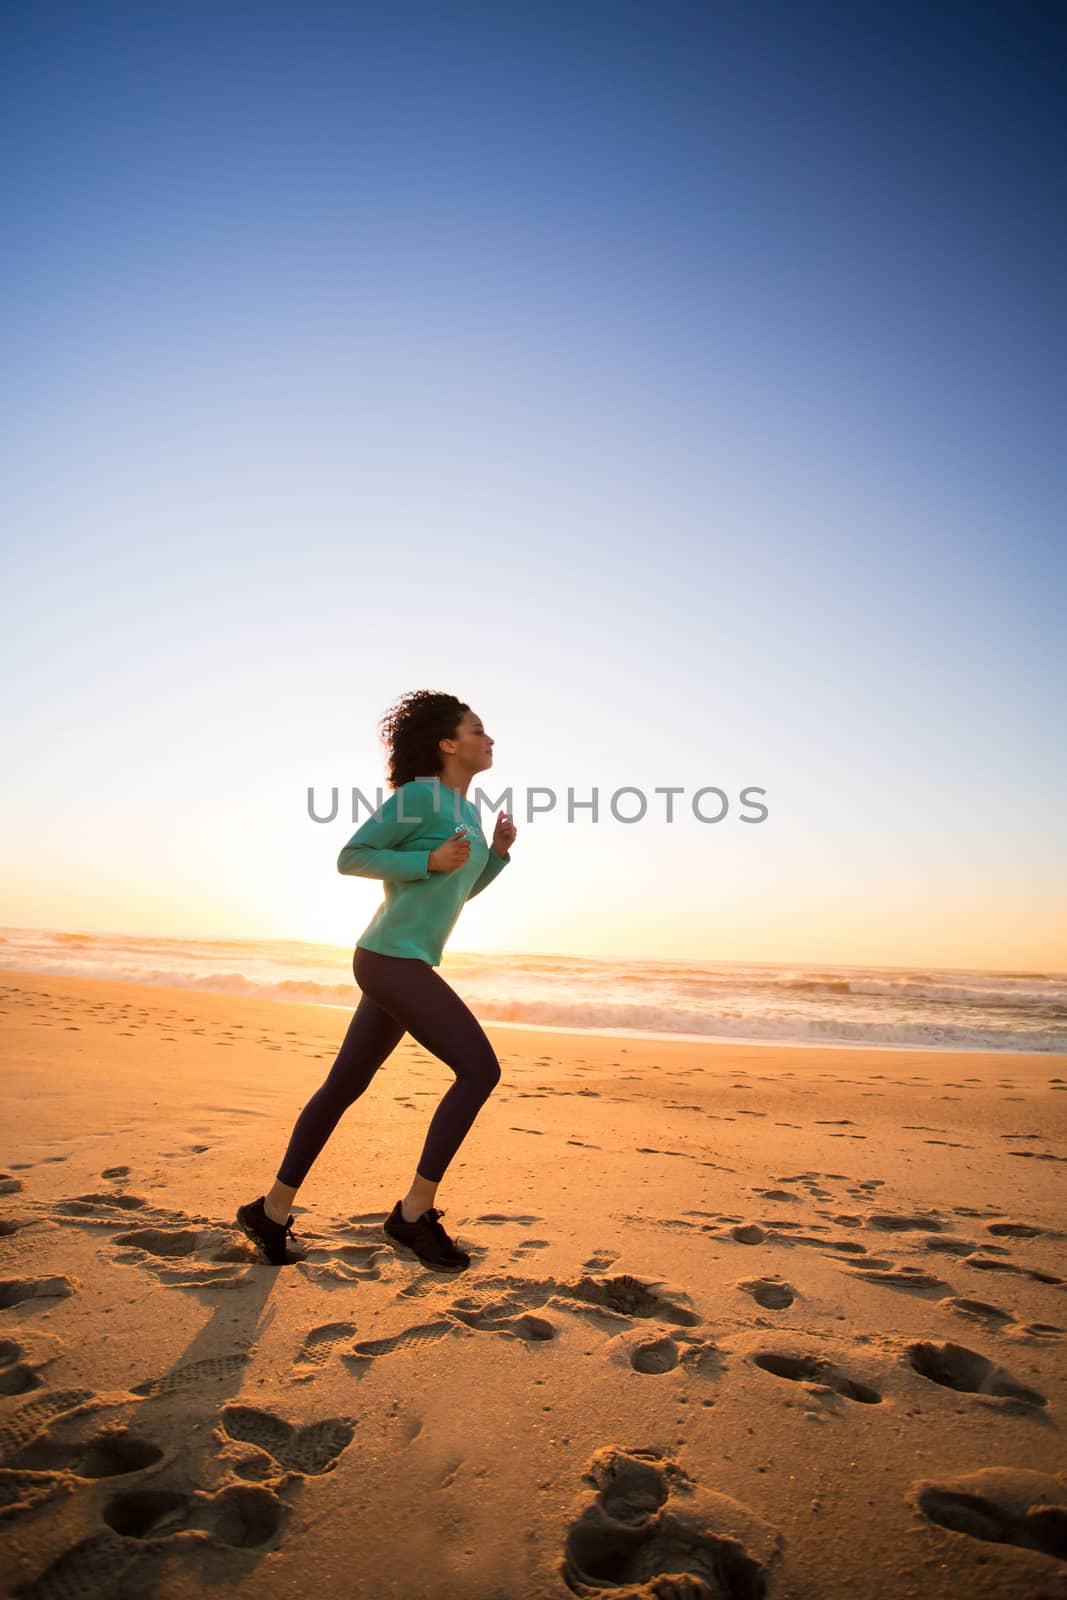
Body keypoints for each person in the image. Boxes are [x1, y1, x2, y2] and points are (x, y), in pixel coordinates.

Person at [236, 690, 517, 1273]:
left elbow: (460, 890)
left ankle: (270, 1210)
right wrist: (426, 861)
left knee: (342, 1087)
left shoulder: (467, 809)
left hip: (405, 960)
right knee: (480, 1070)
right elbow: (352, 856)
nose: (490, 739)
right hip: (390, 959)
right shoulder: (419, 797)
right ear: (447, 743)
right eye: (477, 730)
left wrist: (495, 855)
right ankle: (412, 1215)